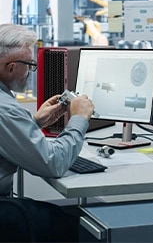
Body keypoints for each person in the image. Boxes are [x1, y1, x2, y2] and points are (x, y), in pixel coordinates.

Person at [0, 24, 95, 242]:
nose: (30, 72)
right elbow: (54, 164)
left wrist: (34, 121)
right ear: (11, 67)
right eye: (30, 65)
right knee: (77, 224)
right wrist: (79, 118)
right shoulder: (5, 109)